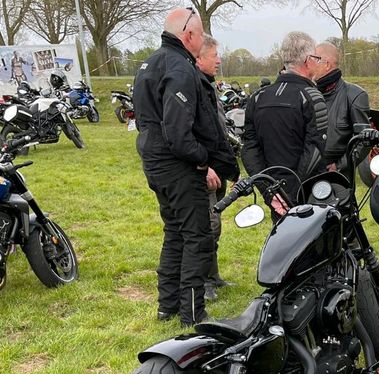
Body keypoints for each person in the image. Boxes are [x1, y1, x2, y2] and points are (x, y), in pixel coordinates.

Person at [133, 7, 239, 325]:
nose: (203, 39)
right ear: (189, 35)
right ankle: (192, 311)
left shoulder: (150, 63)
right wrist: (202, 159)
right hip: (175, 165)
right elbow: (178, 133)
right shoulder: (178, 67)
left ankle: (168, 306)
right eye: (201, 33)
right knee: (196, 235)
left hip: (154, 161)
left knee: (175, 232)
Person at [241, 31, 328, 216]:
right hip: (307, 194)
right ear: (308, 60)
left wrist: (270, 191)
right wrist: (291, 193)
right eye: (317, 58)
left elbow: (249, 149)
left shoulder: (257, 98)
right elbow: (314, 150)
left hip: (275, 194)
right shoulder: (312, 97)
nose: (318, 63)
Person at [194, 35, 236, 302]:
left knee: (215, 225)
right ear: (199, 58)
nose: (219, 60)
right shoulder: (194, 87)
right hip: (202, 170)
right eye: (214, 55)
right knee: (207, 225)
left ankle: (214, 274)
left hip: (216, 169)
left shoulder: (209, 86)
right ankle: (203, 282)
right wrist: (203, 166)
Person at [312, 41, 369, 184]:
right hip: (308, 174)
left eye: (315, 60)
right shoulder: (308, 94)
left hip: (338, 179)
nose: (311, 64)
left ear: (327, 64)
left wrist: (339, 166)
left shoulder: (354, 95)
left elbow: (364, 140)